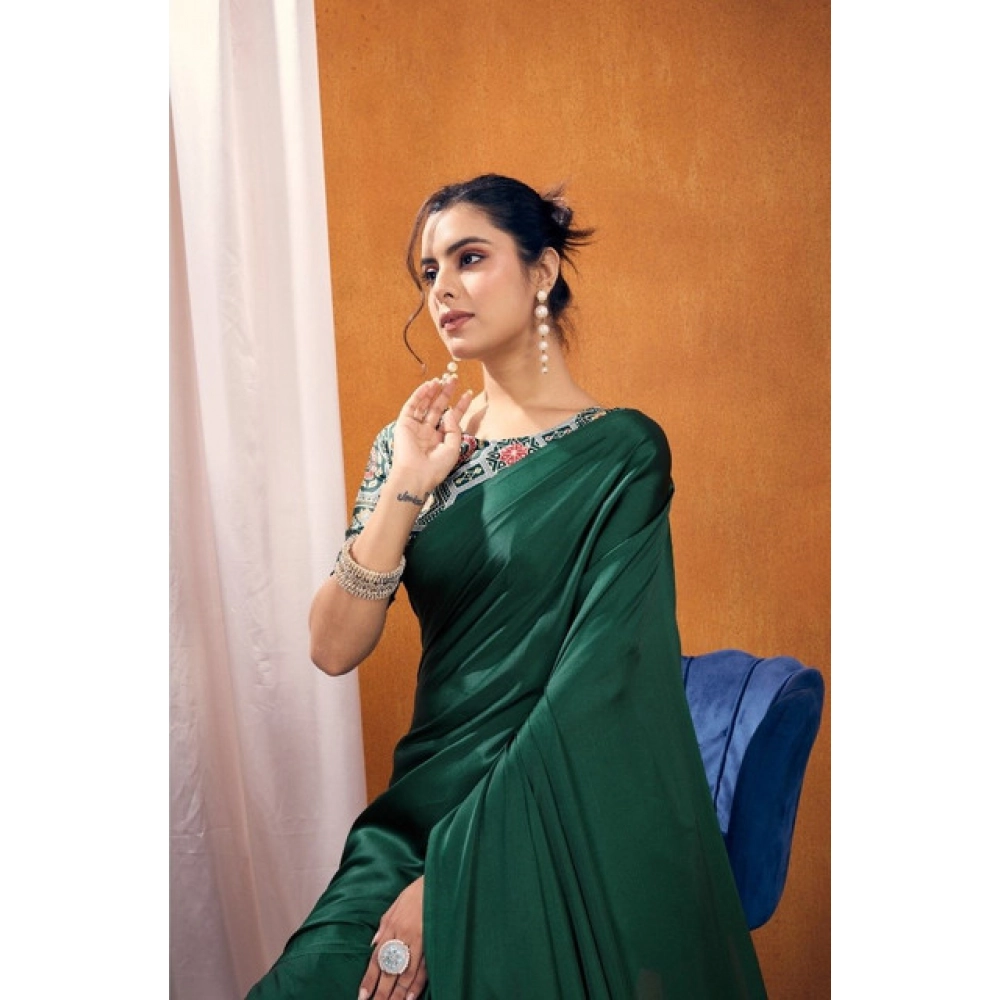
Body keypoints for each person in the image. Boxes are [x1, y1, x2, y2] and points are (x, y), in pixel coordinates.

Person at [246, 174, 767, 999]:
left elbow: (593, 687)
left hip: (551, 814)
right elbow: (332, 648)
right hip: (415, 820)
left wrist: (456, 878)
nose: (442, 289)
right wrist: (407, 485)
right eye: (429, 271)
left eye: (470, 258)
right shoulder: (411, 448)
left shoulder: (622, 454)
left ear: (543, 271)